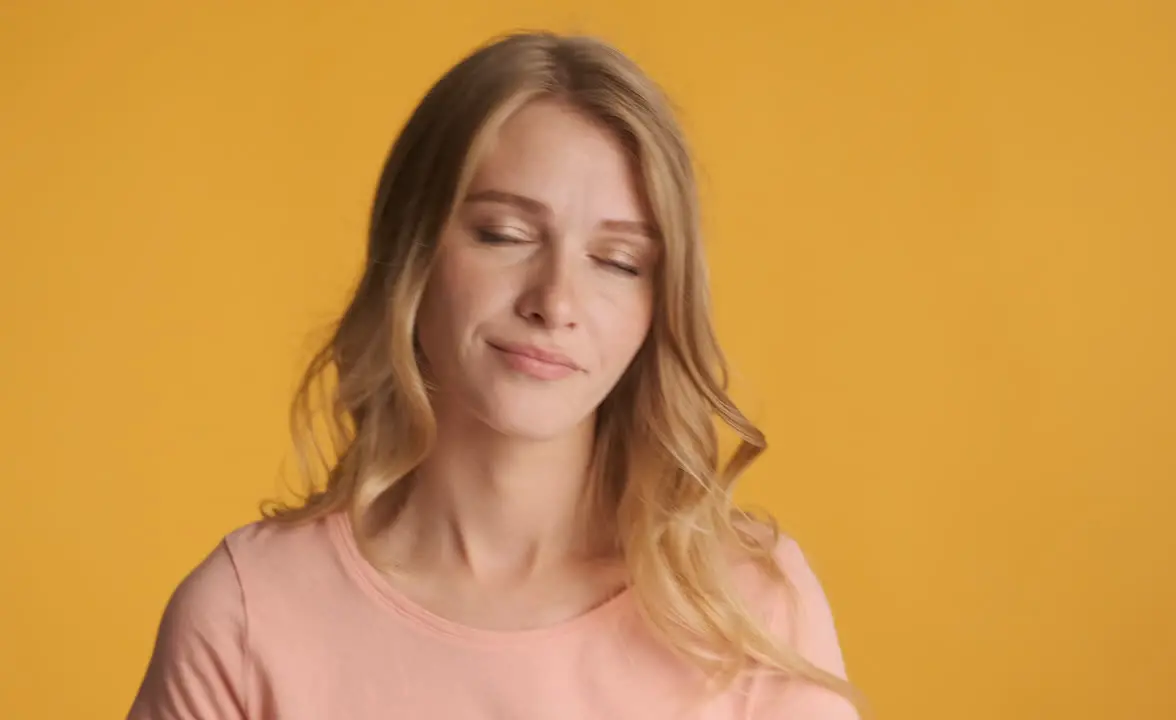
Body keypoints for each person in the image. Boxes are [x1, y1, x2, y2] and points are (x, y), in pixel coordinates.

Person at [127, 31, 859, 720]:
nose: (556, 302)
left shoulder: (746, 602)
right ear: (411, 251)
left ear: (658, 305)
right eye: (505, 235)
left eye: (618, 262)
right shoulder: (248, 614)